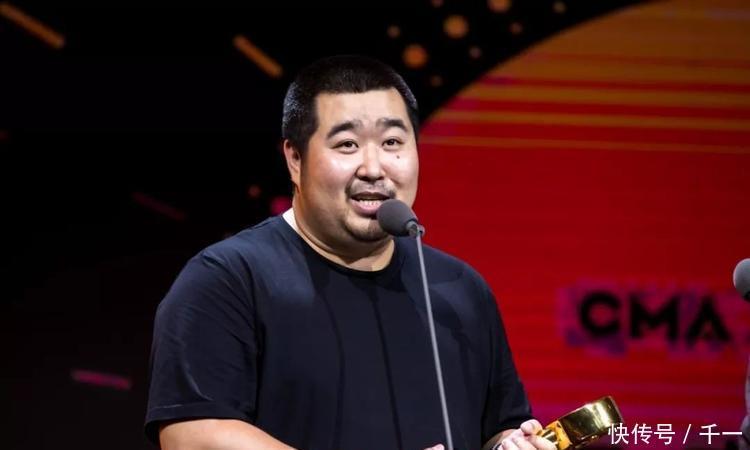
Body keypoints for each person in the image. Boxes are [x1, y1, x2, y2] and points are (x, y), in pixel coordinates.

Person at [144, 55, 554, 450]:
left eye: (392, 142)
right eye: (347, 144)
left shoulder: (459, 289)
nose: (373, 168)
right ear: (295, 159)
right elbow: (192, 437)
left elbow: (497, 428)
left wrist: (513, 443)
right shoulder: (227, 280)